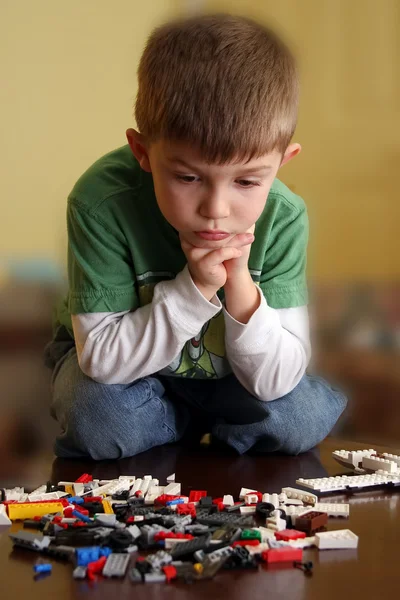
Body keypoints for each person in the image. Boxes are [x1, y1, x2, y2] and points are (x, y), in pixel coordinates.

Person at [45, 13, 347, 460]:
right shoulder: (101, 203)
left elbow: (275, 381)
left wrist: (239, 286)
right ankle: (184, 425)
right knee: (97, 417)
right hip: (128, 378)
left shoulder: (283, 216)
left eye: (246, 182)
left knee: (298, 415)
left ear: (283, 161)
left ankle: (175, 426)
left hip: (232, 381)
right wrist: (197, 287)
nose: (216, 209)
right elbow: (103, 361)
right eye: (188, 177)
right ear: (143, 153)